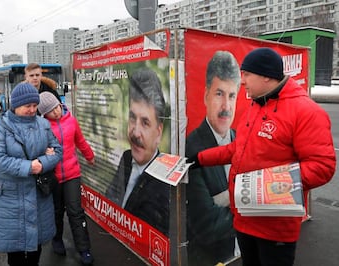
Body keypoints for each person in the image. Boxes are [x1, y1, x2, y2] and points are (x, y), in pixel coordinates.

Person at [188, 47, 336, 266]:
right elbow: (237, 149)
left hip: (275, 227)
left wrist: (271, 185)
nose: (243, 81)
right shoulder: (257, 105)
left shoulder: (306, 112)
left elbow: (323, 166)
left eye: (247, 74)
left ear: (266, 75)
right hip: (244, 220)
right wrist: (199, 159)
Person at [0, 83, 62, 266]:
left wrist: (42, 163)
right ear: (15, 105)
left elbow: (57, 151)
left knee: (36, 245)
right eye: (27, 106)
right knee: (16, 249)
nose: (32, 110)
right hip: (9, 196)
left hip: (38, 193)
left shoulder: (43, 124)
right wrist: (30, 166)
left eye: (35, 106)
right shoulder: (1, 125)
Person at [185, 51, 241, 266]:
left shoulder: (241, 139)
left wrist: (223, 201)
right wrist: (254, 211)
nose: (226, 106)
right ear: (206, 95)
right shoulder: (192, 148)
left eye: (232, 95)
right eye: (219, 94)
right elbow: (206, 225)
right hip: (211, 258)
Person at [105, 68, 170, 236]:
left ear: (158, 132)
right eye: (133, 118)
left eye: (146, 123)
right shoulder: (127, 157)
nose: (135, 132)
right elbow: (111, 196)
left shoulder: (164, 183)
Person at [38, 91, 95, 265]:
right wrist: (43, 153)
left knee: (75, 211)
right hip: (53, 177)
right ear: (43, 114)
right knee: (56, 211)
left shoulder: (71, 120)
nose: (55, 112)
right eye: (50, 111)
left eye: (56, 107)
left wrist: (89, 155)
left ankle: (84, 248)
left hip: (72, 174)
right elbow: (35, 148)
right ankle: (56, 239)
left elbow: (80, 140)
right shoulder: (42, 126)